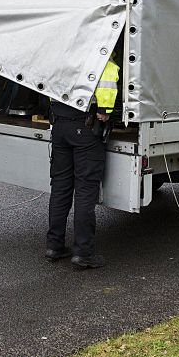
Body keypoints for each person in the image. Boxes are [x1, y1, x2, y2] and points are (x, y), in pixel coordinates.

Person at [45, 52, 120, 270]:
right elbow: (108, 76)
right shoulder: (98, 49)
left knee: (60, 188)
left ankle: (54, 246)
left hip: (59, 124)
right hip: (86, 125)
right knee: (86, 191)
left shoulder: (62, 51)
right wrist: (105, 110)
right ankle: (83, 252)